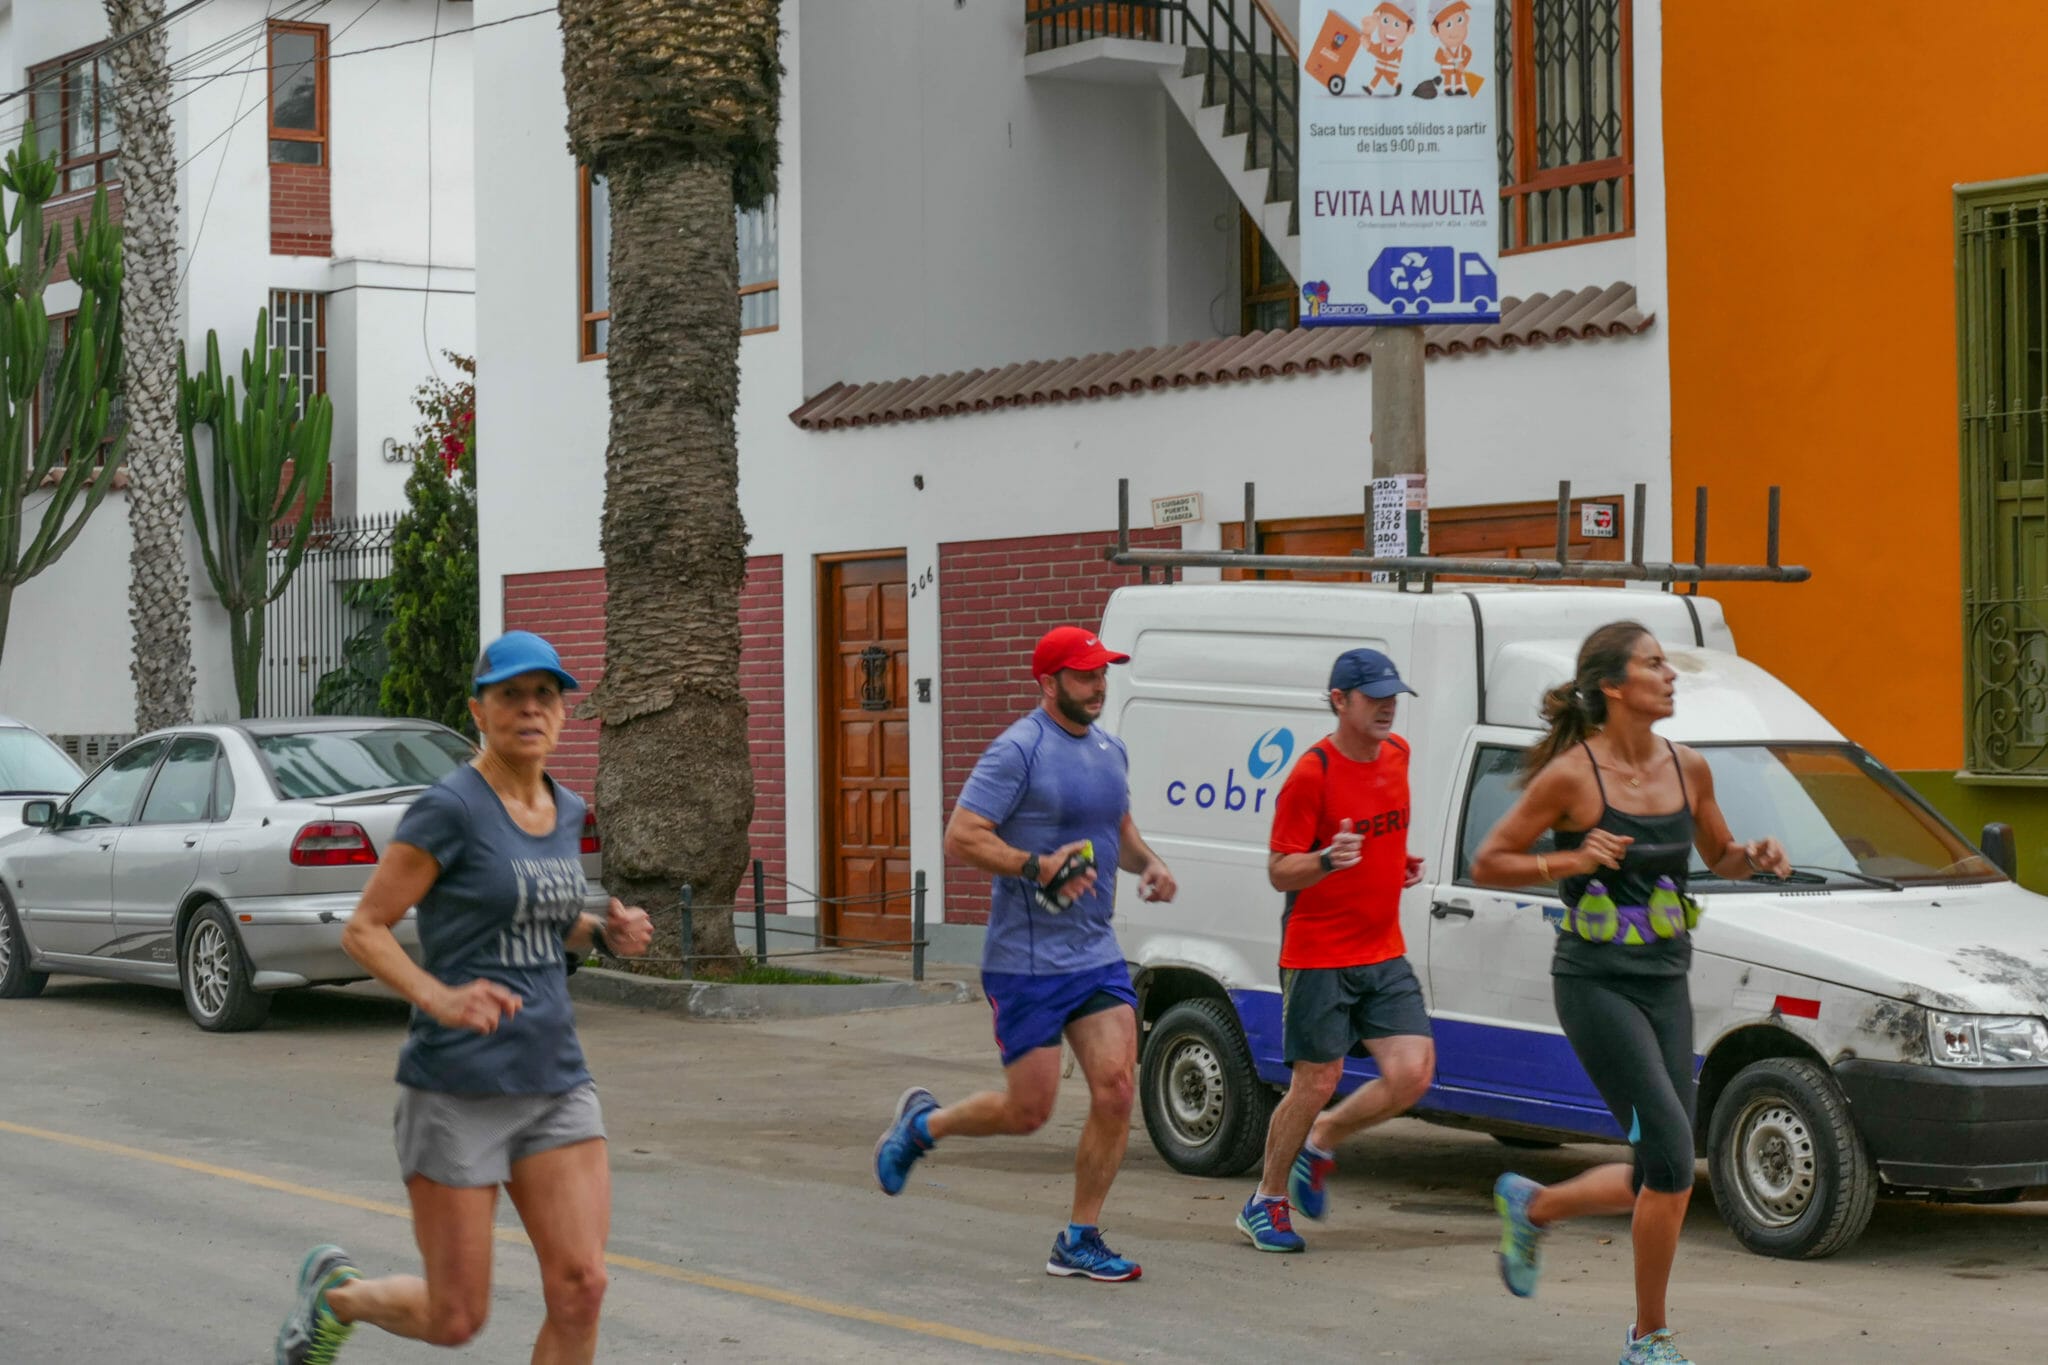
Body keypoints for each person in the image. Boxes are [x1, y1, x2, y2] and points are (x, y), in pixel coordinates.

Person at [274, 630, 655, 1365]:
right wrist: (441, 998)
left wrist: (604, 930)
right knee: (456, 1317)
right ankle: (336, 1296)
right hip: (457, 1087)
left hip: (554, 1077)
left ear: (564, 713)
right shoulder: (448, 808)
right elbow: (366, 928)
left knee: (582, 1285)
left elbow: (541, 917)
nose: (530, 708)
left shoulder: (568, 809)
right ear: (478, 711)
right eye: (510, 693)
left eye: (545, 693)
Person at [1470, 621, 1789, 1365]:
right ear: (1615, 687)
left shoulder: (1689, 768)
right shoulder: (1573, 776)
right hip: (1594, 982)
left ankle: (1535, 1204)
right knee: (1676, 1158)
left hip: (1665, 980)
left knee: (1658, 1169)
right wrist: (1574, 858)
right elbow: (1490, 860)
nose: (1669, 675)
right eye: (1654, 664)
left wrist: (1757, 856)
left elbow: (1721, 855)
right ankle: (1648, 1338)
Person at [872, 624, 1176, 1282]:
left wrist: (1148, 861)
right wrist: (1034, 865)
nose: (1100, 684)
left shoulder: (1109, 748)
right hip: (1027, 960)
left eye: (1103, 673)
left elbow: (1116, 825)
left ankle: (1080, 1235)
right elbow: (962, 836)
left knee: (1118, 1089)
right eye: (1086, 674)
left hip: (1093, 950)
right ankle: (925, 1125)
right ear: (1049, 682)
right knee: (1028, 1110)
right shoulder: (1018, 750)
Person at [1237, 647, 1433, 1253]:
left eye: (1392, 693)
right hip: (1319, 953)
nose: (1387, 705)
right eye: (1374, 695)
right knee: (1316, 1079)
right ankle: (1265, 1201)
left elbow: (1379, 831)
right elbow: (1278, 869)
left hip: (1382, 949)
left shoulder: (1398, 755)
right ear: (1339, 701)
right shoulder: (1311, 774)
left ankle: (1323, 1138)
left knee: (1413, 1073)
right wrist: (1325, 860)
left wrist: (1393, 864)